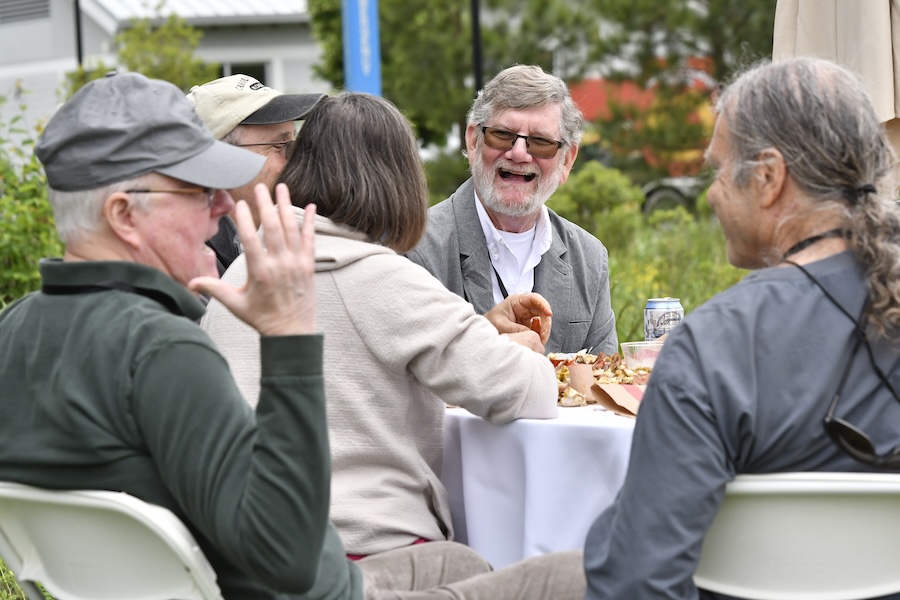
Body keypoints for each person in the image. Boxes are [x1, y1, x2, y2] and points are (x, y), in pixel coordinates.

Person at [202, 91, 586, 599]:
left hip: (246, 564)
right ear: (398, 179)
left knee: (464, 561)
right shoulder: (380, 277)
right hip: (353, 560)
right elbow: (529, 391)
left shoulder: (246, 267)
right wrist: (524, 350)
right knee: (589, 569)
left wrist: (478, 330)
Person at [0, 72, 364, 598]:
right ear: (123, 215)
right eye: (197, 191)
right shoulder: (161, 348)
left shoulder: (13, 330)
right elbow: (290, 562)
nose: (222, 206)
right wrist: (289, 337)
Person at [583, 57, 900, 599]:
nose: (709, 193)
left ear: (770, 177)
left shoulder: (716, 347)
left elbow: (638, 584)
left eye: (719, 169)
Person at [406, 64, 618, 355]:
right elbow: (405, 378)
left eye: (541, 142)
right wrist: (483, 345)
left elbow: (604, 384)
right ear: (473, 140)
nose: (518, 153)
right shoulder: (416, 246)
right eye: (502, 135)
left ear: (567, 161)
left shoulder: (590, 259)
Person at [186, 73, 325, 275]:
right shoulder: (190, 266)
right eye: (280, 146)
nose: (296, 161)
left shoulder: (293, 239)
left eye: (296, 146)